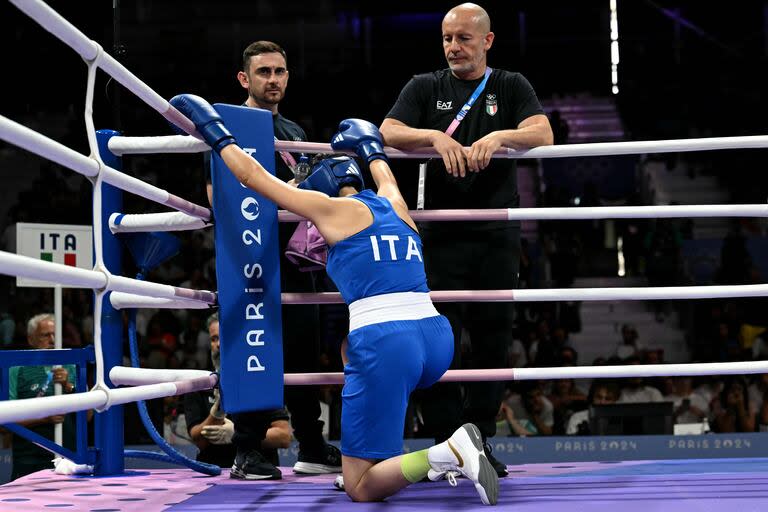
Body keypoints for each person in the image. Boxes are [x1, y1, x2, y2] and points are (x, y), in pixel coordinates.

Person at [169, 94, 499, 505]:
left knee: (360, 488)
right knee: (346, 350)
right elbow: (382, 169)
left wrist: (215, 132)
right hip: (435, 339)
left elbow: (253, 176)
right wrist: (369, 149)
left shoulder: (328, 209)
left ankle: (445, 452)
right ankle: (387, 454)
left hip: (389, 342)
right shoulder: (395, 203)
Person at [378, 2, 553, 477]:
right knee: (436, 343)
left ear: (487, 41)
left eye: (463, 39)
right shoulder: (425, 86)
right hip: (436, 232)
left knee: (493, 340)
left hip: (496, 232)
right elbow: (387, 130)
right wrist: (435, 137)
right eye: (446, 39)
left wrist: (500, 137)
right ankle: (446, 443)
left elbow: (544, 132)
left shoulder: (510, 85)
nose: (453, 47)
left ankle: (481, 442)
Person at [206, 40, 342, 477]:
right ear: (244, 78)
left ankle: (312, 446)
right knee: (253, 347)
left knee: (304, 353)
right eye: (263, 72)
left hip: (297, 258)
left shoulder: (298, 133)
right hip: (250, 256)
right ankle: (249, 450)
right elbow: (214, 193)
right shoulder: (228, 127)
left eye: (280, 71)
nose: (273, 79)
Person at [183, 313, 291, 477]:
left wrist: (237, 435)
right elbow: (198, 440)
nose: (218, 344)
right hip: (214, 476)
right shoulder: (199, 382)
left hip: (261, 476)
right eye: (214, 339)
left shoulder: (261, 377)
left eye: (223, 337)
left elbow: (283, 437)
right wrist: (217, 412)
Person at [8, 314, 77, 480]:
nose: (52, 340)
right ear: (31, 339)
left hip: (68, 458)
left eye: (55, 334)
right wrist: (45, 418)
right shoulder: (16, 369)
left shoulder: (72, 365)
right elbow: (5, 423)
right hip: (28, 459)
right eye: (46, 335)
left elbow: (88, 415)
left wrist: (68, 386)